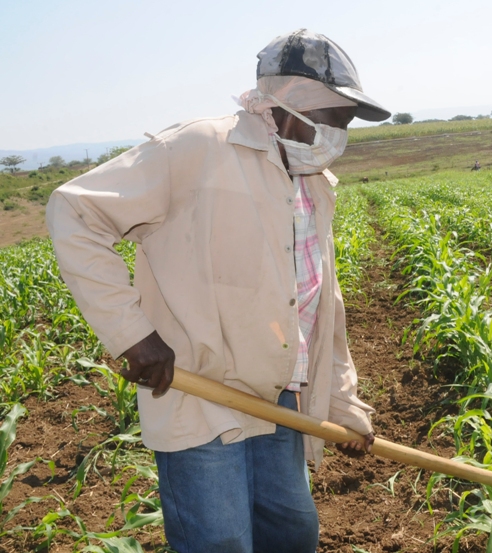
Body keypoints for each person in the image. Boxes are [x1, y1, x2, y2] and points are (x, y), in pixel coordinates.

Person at [46, 29, 390, 553]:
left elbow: (318, 305)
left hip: (282, 399)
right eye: (334, 121)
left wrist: (342, 402)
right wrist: (132, 333)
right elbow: (74, 210)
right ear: (291, 103)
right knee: (221, 542)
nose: (339, 137)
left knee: (292, 534)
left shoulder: (314, 182)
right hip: (201, 394)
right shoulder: (198, 147)